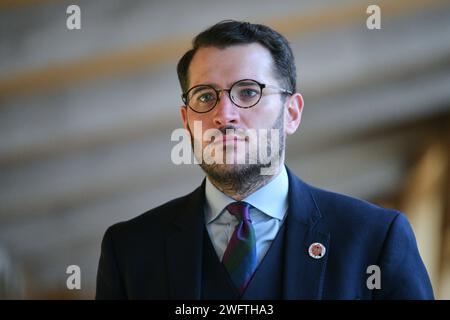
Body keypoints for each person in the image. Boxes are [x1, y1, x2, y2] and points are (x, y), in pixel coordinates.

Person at [96, 20, 434, 300]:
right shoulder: (130, 250)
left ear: (291, 112)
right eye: (205, 96)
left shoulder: (373, 239)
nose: (224, 115)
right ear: (187, 121)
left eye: (248, 92)